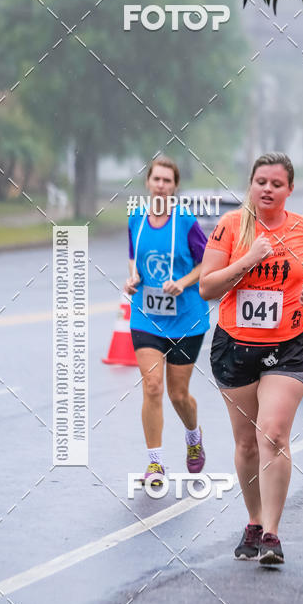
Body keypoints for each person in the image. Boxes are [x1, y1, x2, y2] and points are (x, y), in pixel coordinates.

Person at [200, 153, 303, 565]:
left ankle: (273, 534)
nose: (267, 189)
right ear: (251, 184)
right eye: (261, 181)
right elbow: (207, 287)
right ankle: (254, 521)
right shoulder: (230, 227)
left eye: (276, 183)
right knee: (245, 442)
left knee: (273, 434)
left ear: (290, 189)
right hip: (235, 346)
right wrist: (249, 259)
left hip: (290, 346)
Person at [125, 157, 209, 486]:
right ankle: (155, 463)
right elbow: (135, 258)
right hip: (146, 316)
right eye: (156, 179)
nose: (161, 185)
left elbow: (206, 264)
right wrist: (132, 278)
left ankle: (192, 435)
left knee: (178, 394)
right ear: (148, 183)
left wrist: (184, 282)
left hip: (186, 318)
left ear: (175, 187)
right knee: (152, 387)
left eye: (167, 180)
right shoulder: (136, 220)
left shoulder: (186, 222)